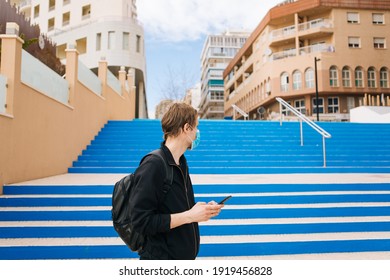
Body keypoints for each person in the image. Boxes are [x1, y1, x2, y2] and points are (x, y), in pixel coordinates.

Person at [129, 102, 224, 260]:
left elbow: (176, 208)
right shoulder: (153, 165)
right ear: (187, 128)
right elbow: (141, 221)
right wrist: (189, 216)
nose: (197, 133)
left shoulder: (180, 162)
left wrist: (201, 210)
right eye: (196, 127)